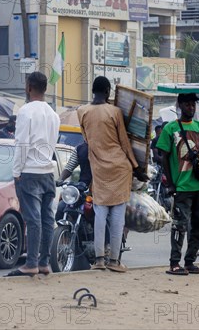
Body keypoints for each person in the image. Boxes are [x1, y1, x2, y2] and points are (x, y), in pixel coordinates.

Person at [77, 76, 148, 273]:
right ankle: (114, 261)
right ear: (108, 91)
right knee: (117, 216)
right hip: (120, 168)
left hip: (99, 169)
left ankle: (99, 260)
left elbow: (87, 139)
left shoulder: (81, 111)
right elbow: (124, 143)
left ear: (93, 90)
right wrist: (137, 168)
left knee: (100, 214)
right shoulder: (115, 111)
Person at [6, 72, 60, 277]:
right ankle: (44, 262)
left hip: (29, 171)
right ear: (44, 88)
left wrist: (16, 171)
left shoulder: (25, 112)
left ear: (29, 87)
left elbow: (21, 144)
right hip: (48, 171)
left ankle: (31, 263)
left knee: (33, 219)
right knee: (47, 219)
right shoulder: (53, 114)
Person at [156, 93, 199, 276]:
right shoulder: (170, 128)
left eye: (193, 104)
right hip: (182, 186)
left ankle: (190, 261)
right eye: (187, 104)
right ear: (180, 105)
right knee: (180, 225)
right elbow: (163, 157)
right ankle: (174, 263)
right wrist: (170, 184)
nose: (191, 107)